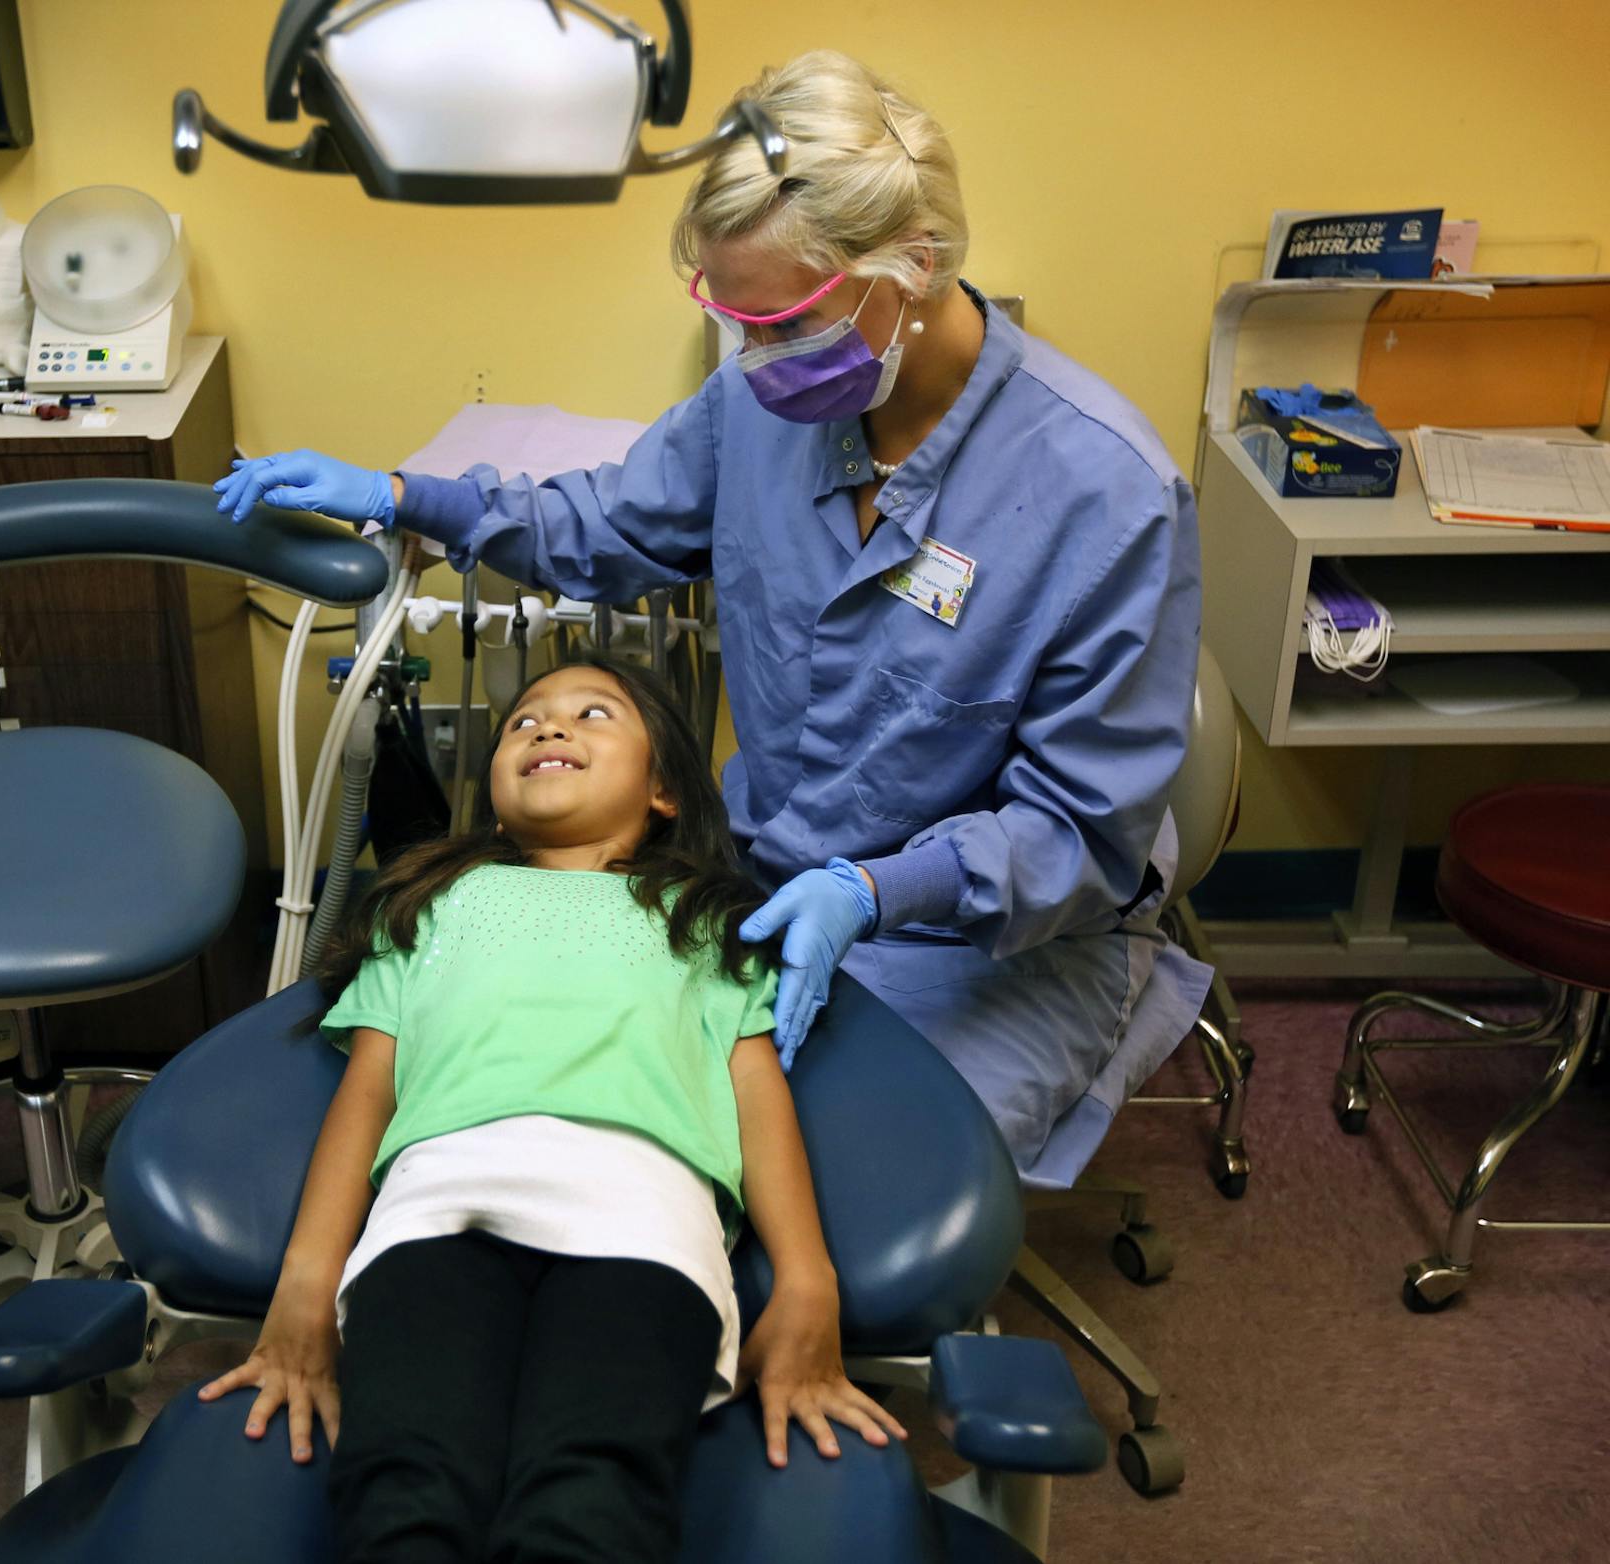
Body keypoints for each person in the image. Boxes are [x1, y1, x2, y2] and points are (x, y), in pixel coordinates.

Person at [216, 50, 1209, 1182]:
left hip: (1003, 939)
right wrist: (411, 499)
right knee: (624, 1137)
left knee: (854, 1193)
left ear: (914, 267)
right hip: (764, 875)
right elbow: (606, 527)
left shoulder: (1106, 491)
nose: (753, 359)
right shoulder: (760, 403)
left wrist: (876, 890)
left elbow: (1083, 833)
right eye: (735, 321)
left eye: (784, 323)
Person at [198, 656, 903, 1564]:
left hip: (645, 1229)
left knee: (589, 1498)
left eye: (593, 714)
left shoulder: (703, 919)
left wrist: (810, 1282)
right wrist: (305, 1281)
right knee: (405, 1486)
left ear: (663, 792)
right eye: (524, 721)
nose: (548, 728)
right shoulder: (432, 904)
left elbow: (755, 1093)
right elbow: (367, 1092)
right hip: (436, 1217)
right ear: (493, 798)